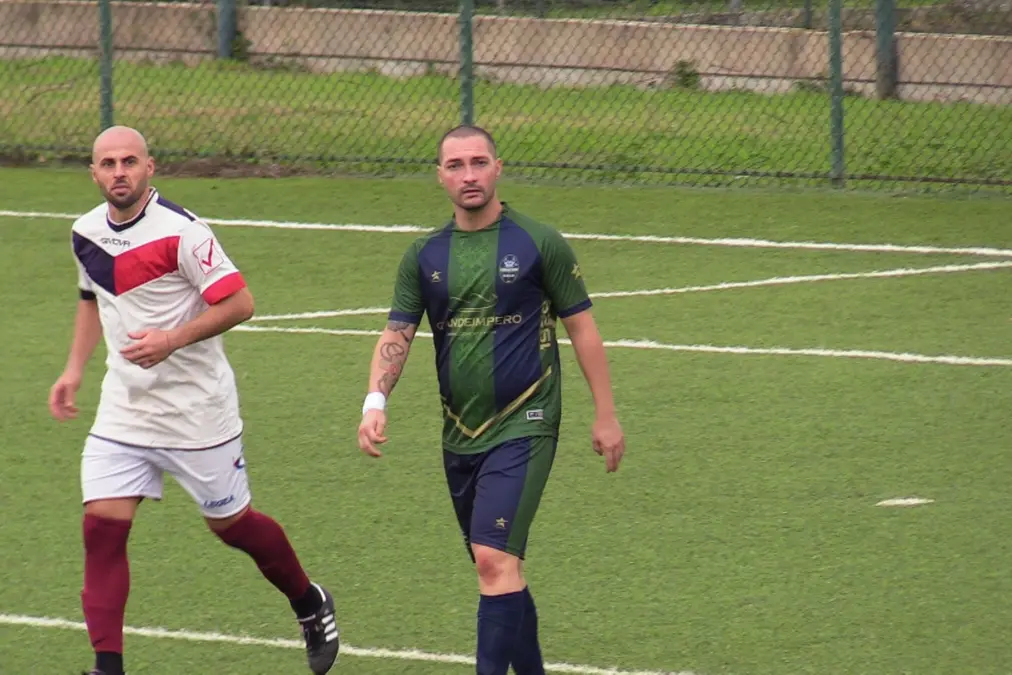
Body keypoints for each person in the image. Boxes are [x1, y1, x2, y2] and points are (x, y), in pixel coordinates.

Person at [48, 126, 340, 675]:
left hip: (197, 412)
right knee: (101, 529)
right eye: (108, 163)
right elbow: (91, 298)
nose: (119, 172)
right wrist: (73, 370)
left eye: (129, 161)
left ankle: (308, 600)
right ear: (93, 173)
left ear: (150, 167)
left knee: (233, 527)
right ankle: (108, 667)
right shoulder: (84, 232)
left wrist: (171, 340)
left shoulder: (184, 233)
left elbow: (241, 303)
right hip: (125, 409)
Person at [356, 124, 626, 675]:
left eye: (479, 162)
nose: (469, 175)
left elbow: (583, 328)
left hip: (527, 418)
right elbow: (398, 333)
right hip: (460, 429)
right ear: (440, 177)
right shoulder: (424, 255)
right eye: (456, 166)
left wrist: (606, 414)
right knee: (501, 568)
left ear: (498, 168)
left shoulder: (538, 242)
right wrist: (374, 402)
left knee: (492, 560)